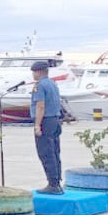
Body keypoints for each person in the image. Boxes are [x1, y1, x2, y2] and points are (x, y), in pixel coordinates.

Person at [30, 61, 64, 195]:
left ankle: (52, 184)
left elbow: (40, 106)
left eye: (33, 72)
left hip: (45, 121)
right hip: (55, 120)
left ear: (38, 72)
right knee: (55, 151)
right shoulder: (53, 84)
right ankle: (57, 181)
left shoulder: (39, 85)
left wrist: (37, 125)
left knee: (45, 152)